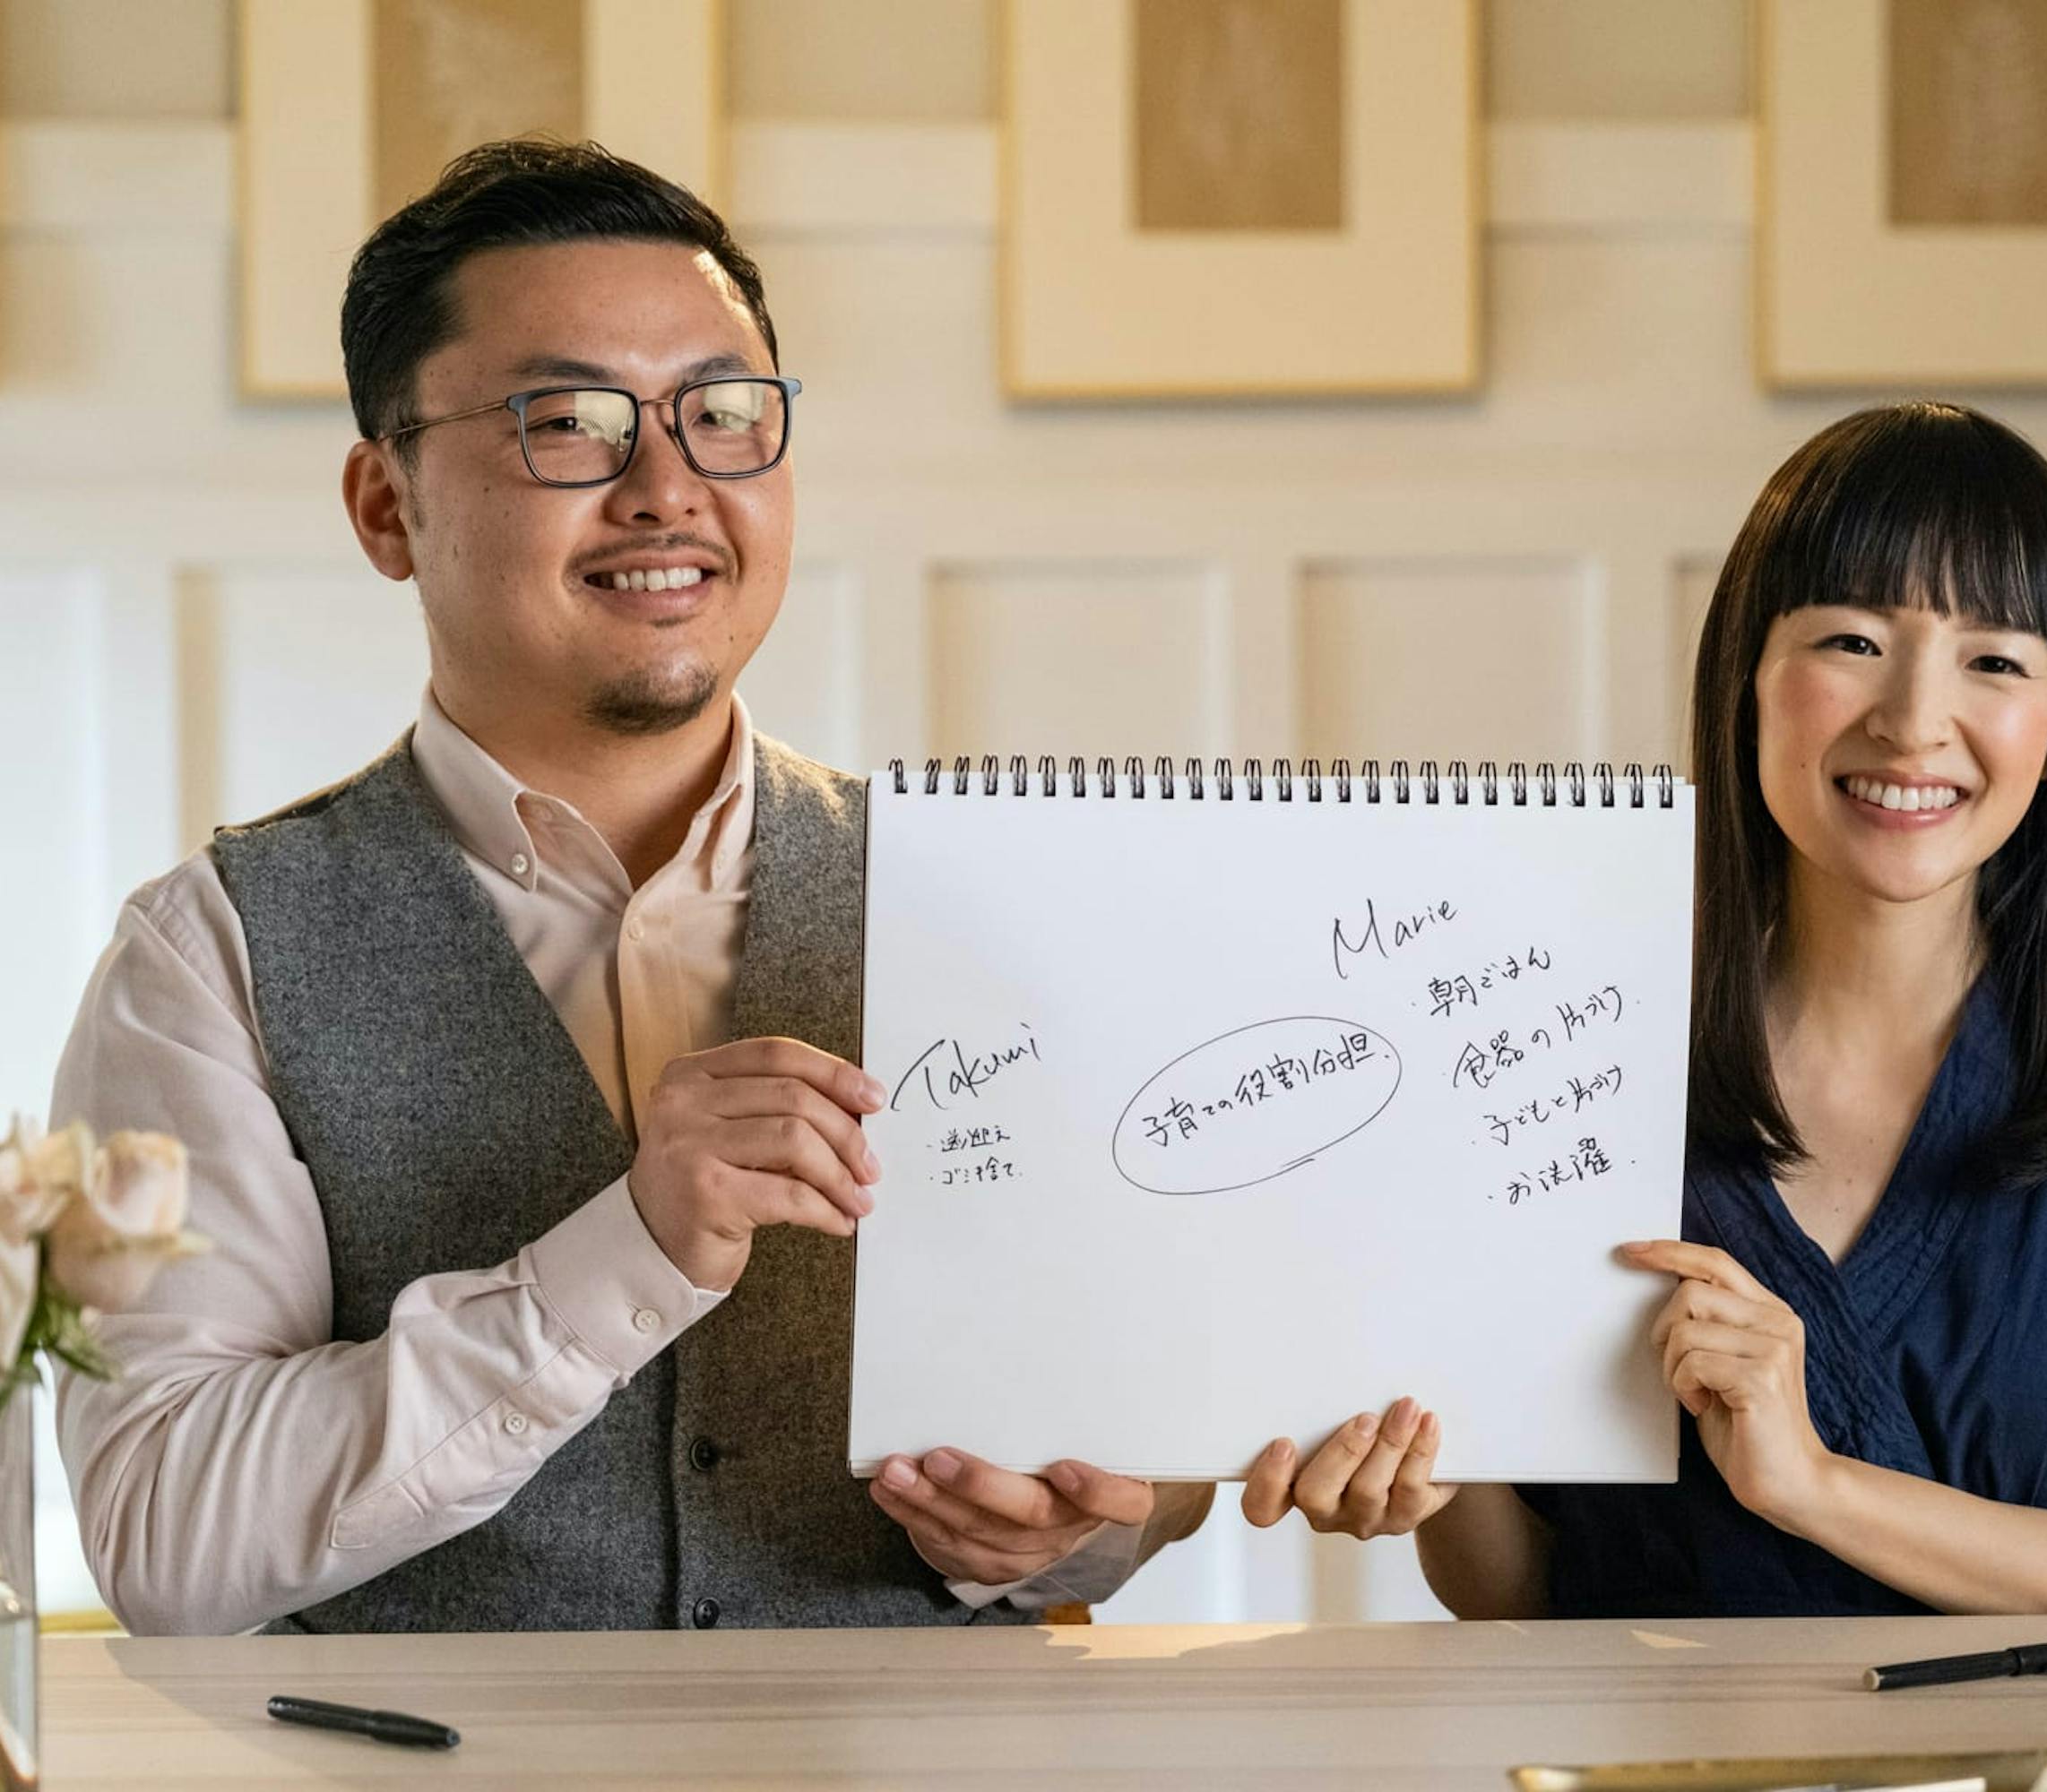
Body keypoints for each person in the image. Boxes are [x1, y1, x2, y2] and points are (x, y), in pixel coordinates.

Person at [50, 138, 1209, 1635]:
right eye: (569, 422)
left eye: (724, 415)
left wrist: (1064, 1535)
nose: (668, 488)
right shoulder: (211, 954)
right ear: (384, 506)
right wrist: (624, 1256)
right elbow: (166, 1539)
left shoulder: (995, 901)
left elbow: (1123, 1462)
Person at [1239, 401, 2047, 1615]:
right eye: (1849, 642)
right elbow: (1524, 1602)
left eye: (1993, 660)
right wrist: (1433, 1472)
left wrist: (1813, 1484)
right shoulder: (1559, 1072)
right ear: (1748, 680)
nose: (1912, 720)